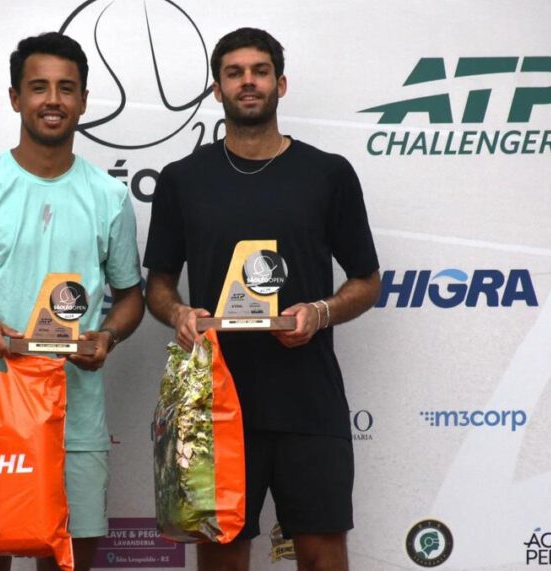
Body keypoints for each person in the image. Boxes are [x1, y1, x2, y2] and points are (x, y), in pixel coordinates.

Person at [143, 28, 381, 571]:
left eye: (259, 71)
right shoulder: (183, 179)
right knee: (222, 552)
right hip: (215, 402)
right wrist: (178, 312)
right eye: (234, 73)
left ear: (280, 83)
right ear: (216, 90)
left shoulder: (329, 173)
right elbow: (157, 284)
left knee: (322, 553)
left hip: (308, 397)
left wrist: (321, 312)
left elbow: (367, 281)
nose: (248, 82)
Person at [0, 32, 144, 571]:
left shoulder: (108, 197)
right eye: (38, 88)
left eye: (66, 89)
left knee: (68, 564)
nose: (52, 100)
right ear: (15, 97)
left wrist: (107, 335)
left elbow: (130, 296)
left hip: (74, 414)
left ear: (84, 100)